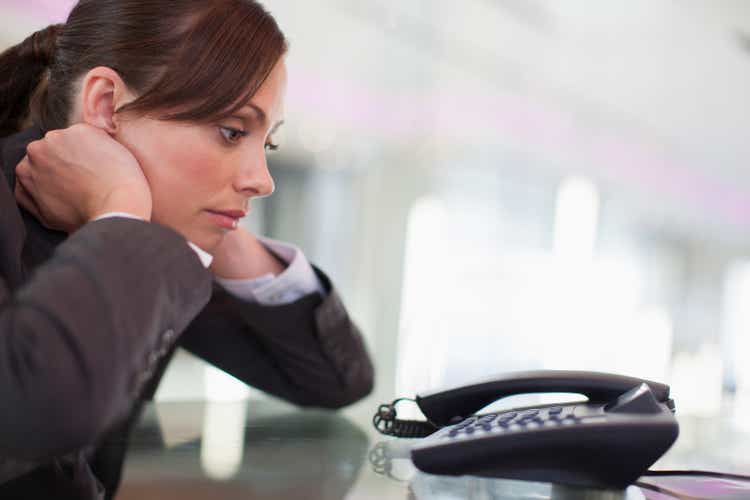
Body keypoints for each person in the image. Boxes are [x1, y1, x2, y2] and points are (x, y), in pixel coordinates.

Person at [0, 0, 374, 498]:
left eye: (267, 144)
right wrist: (122, 205)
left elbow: (337, 377)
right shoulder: (126, 235)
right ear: (106, 106)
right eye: (232, 132)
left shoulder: (151, 238)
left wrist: (217, 227)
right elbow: (38, 411)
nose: (262, 181)